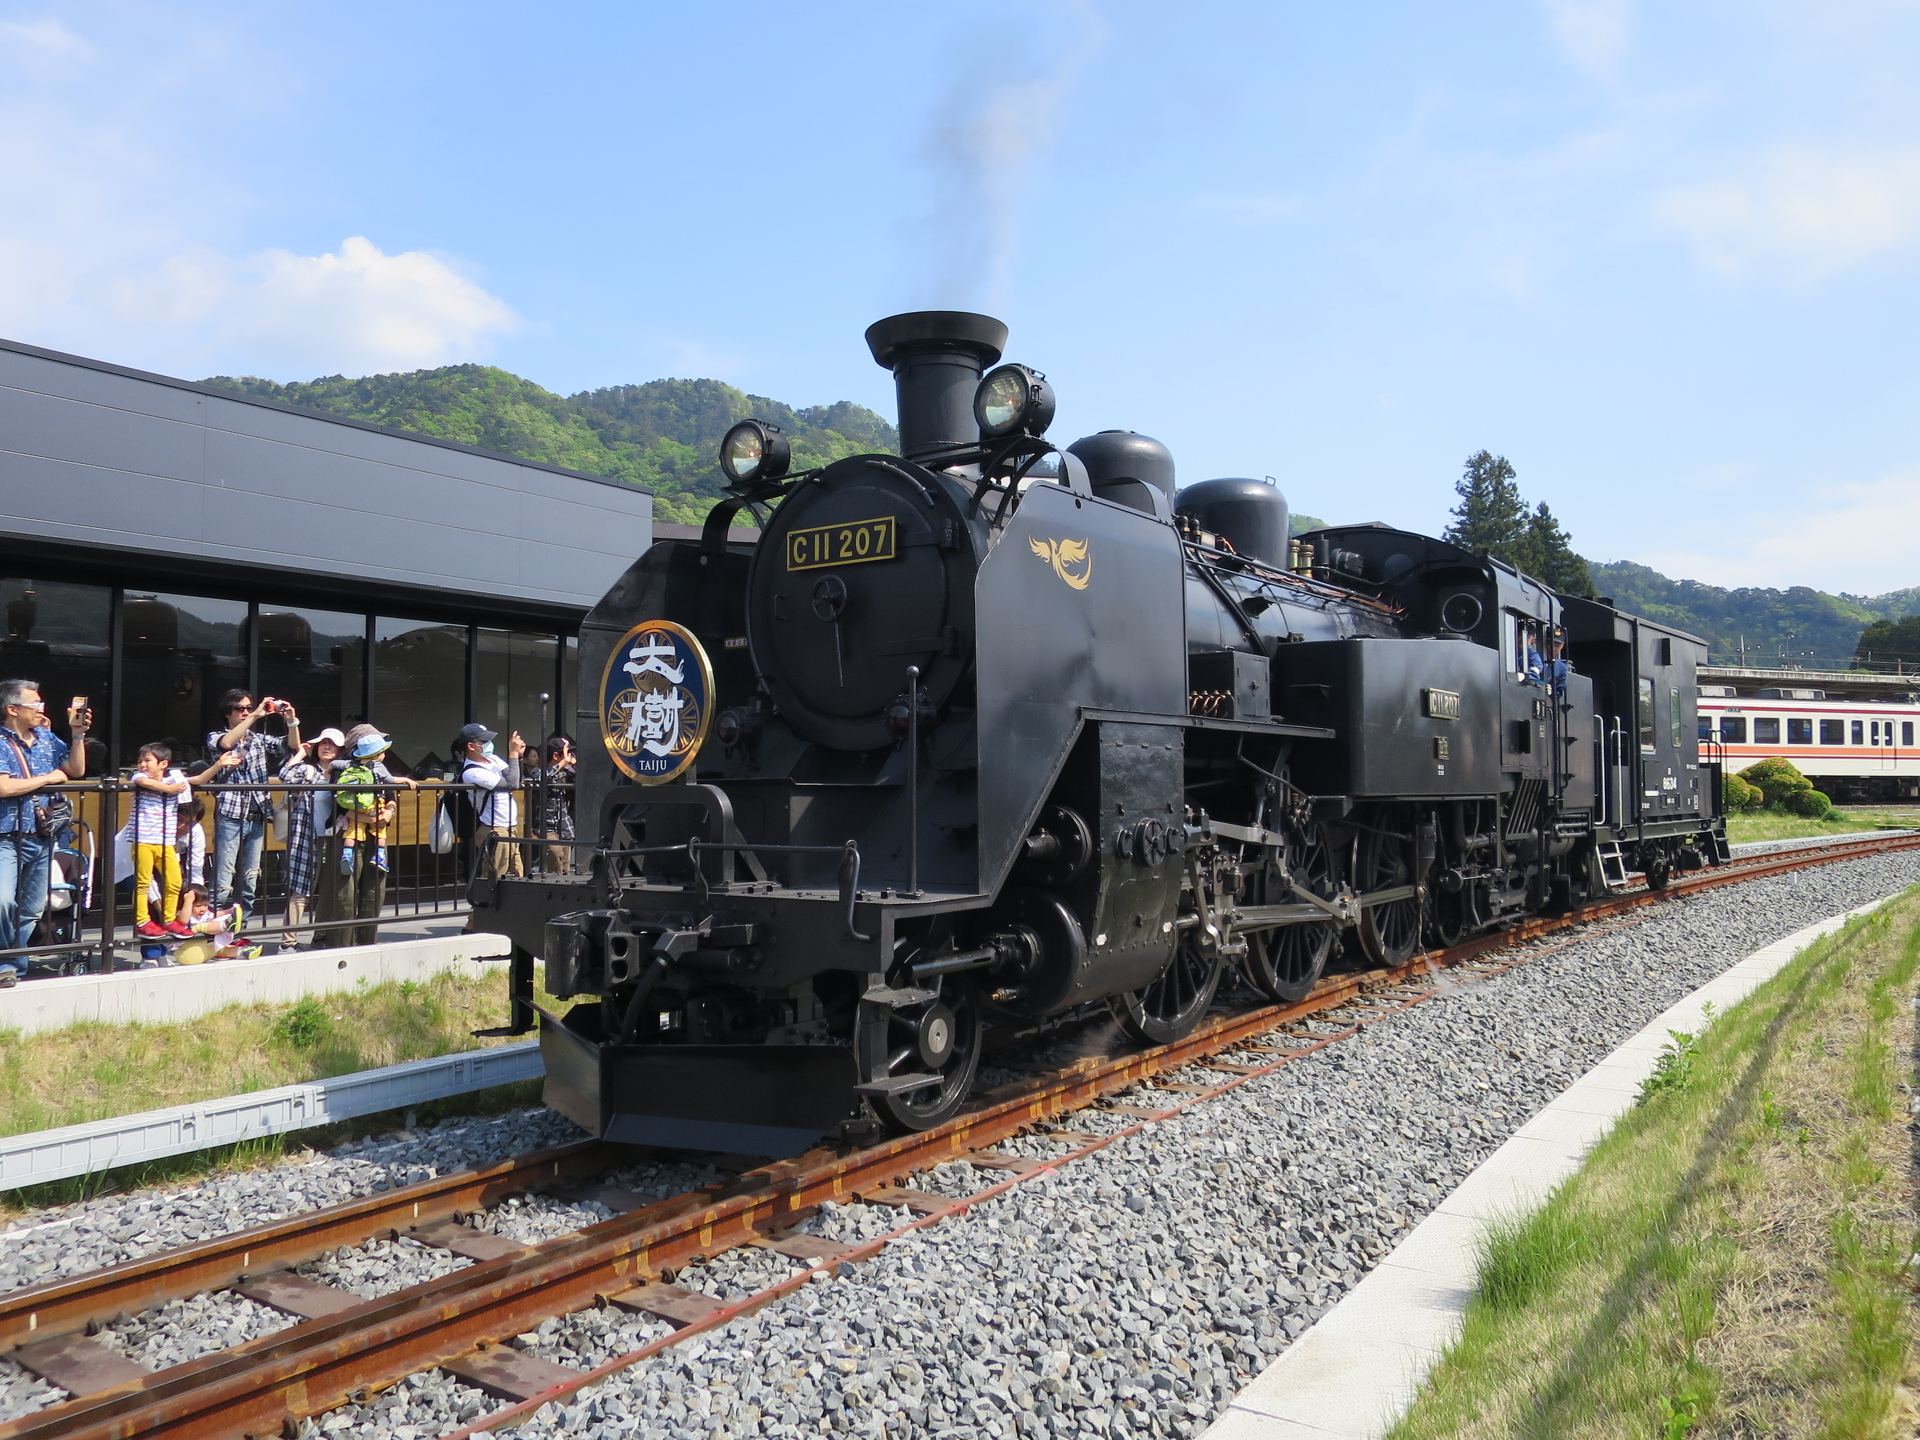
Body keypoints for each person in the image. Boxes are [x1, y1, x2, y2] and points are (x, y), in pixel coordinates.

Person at [0, 680, 91, 982]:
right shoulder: (1, 741)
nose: (42, 709)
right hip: (6, 836)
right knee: (3, 901)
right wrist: (48, 777)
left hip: (42, 836)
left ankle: (12, 965)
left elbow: (75, 770)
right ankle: (6, 963)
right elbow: (4, 787)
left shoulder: (47, 738)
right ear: (12, 709)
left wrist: (77, 735)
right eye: (35, 704)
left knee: (32, 907)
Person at [206, 689, 301, 928]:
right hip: (230, 815)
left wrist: (291, 721)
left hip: (257, 816)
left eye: (249, 708)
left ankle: (239, 928)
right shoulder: (215, 736)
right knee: (223, 881)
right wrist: (256, 715)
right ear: (228, 713)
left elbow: (291, 746)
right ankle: (211, 929)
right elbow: (226, 744)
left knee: (250, 880)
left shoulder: (258, 740)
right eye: (241, 709)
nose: (246, 712)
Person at [316, 729, 409, 950]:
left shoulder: (378, 769)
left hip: (376, 833)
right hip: (348, 832)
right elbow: (339, 804)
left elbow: (390, 796)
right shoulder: (345, 769)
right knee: (344, 893)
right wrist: (367, 817)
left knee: (375, 890)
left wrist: (388, 813)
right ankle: (341, 944)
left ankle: (368, 942)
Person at [275, 733, 340, 952]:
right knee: (301, 891)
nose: (327, 747)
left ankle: (321, 937)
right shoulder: (308, 770)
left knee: (330, 890)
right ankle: (288, 942)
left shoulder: (344, 774)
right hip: (306, 835)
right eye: (323, 743)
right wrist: (301, 752)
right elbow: (284, 774)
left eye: (333, 744)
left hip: (334, 837)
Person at [129, 743, 191, 940]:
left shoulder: (175, 780)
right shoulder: (138, 778)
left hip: (164, 841)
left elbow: (194, 780)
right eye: (140, 761)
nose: (142, 765)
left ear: (163, 764)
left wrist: (217, 766)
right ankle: (142, 921)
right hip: (142, 840)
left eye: (147, 761)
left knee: (175, 881)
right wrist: (169, 788)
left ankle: (169, 918)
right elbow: (145, 783)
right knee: (143, 883)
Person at [457, 722, 525, 880]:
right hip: (493, 827)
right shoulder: (472, 771)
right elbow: (510, 784)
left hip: (509, 826)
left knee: (517, 873)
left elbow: (514, 778)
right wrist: (513, 755)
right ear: (471, 746)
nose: (489, 744)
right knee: (495, 875)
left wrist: (518, 757)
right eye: (484, 741)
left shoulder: (492, 759)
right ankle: (486, 903)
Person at [536, 733, 575, 875]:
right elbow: (543, 779)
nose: (570, 755)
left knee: (565, 865)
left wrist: (572, 765)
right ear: (555, 756)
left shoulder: (567, 771)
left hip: (564, 825)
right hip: (547, 825)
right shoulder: (538, 771)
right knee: (555, 854)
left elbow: (582, 779)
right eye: (567, 752)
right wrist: (562, 764)